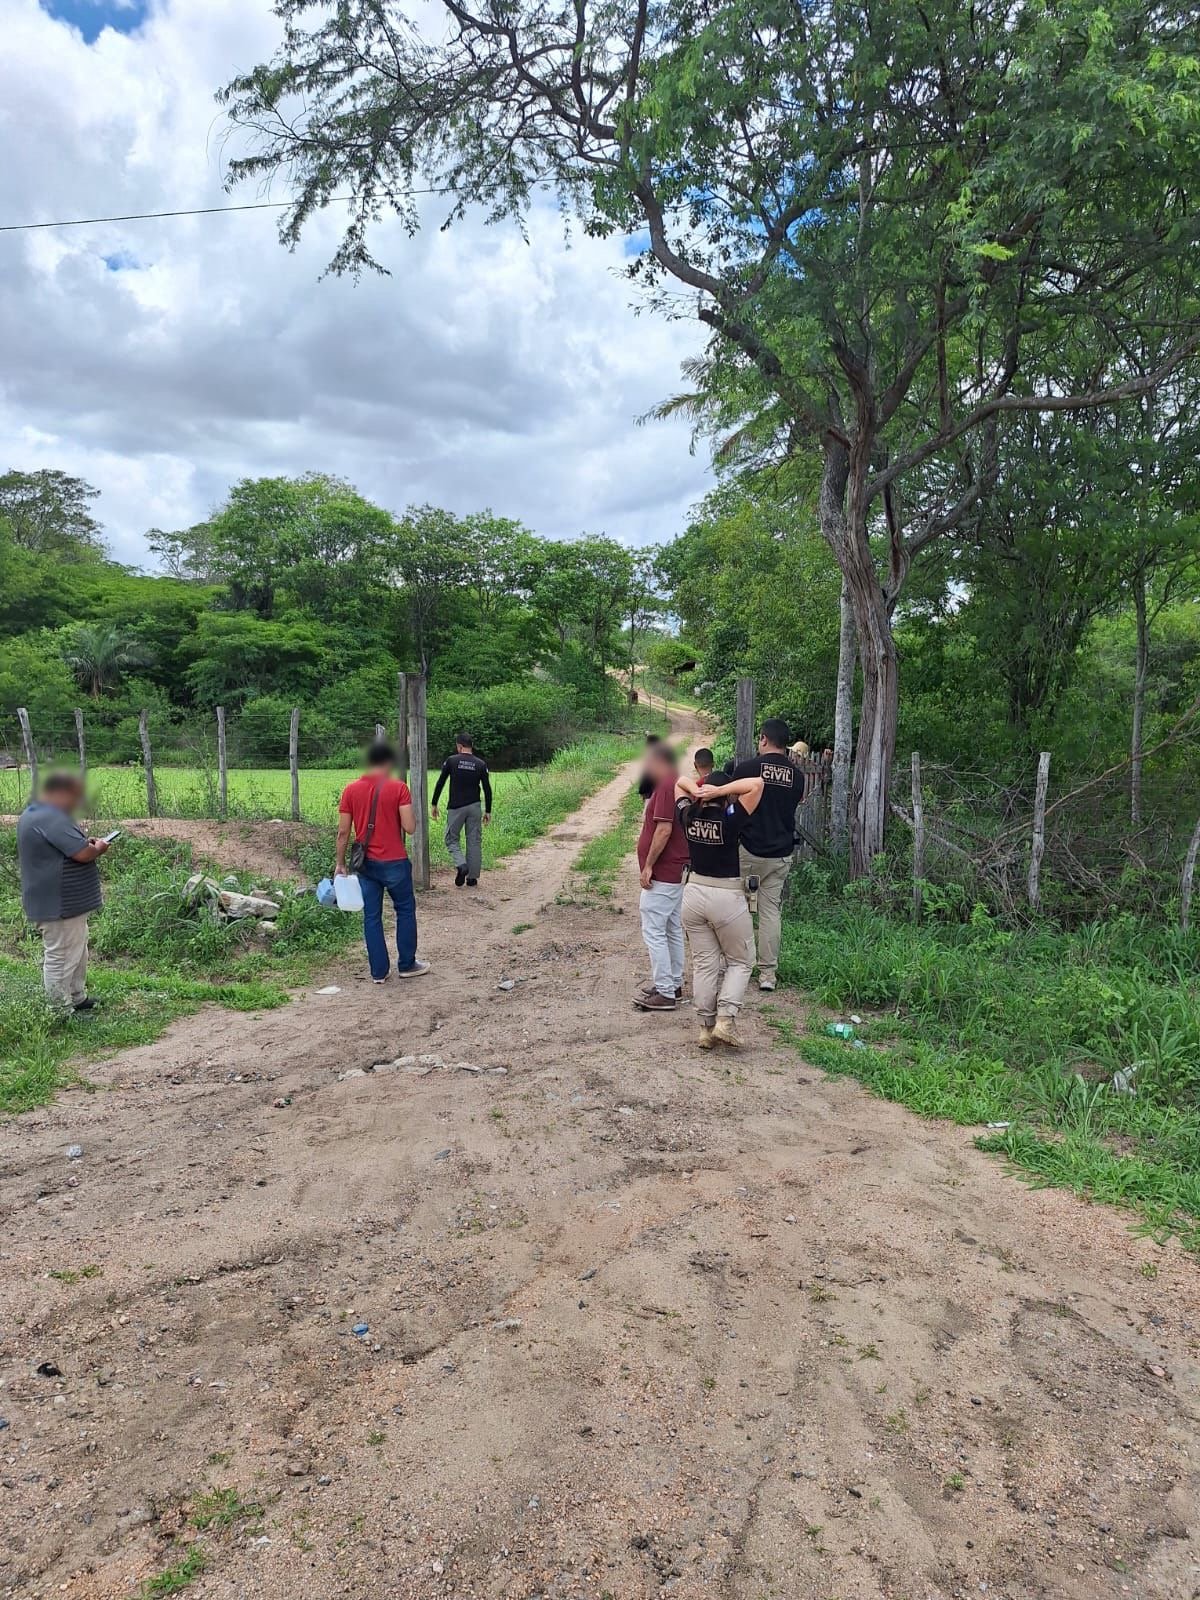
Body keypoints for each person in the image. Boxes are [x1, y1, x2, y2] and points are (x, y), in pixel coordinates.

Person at [674, 770, 765, 1048]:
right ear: (726, 796)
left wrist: (699, 790)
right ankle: (725, 1020)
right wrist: (720, 791)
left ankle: (705, 1029)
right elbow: (757, 783)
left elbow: (680, 783)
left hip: (693, 893)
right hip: (725, 895)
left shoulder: (688, 815)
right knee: (741, 961)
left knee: (704, 963)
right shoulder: (730, 817)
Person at [16, 771, 112, 1012]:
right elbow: (82, 854)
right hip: (59, 903)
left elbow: (68, 846)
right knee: (62, 956)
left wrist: (85, 844)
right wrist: (98, 848)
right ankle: (60, 1009)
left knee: (76, 952)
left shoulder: (40, 813)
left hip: (64, 902)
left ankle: (77, 998)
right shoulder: (50, 816)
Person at [336, 740, 429, 982]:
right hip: (395, 861)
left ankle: (378, 972)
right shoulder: (399, 788)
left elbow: (343, 832)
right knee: (405, 910)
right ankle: (407, 965)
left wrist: (340, 863)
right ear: (388, 762)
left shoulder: (350, 790)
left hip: (366, 864)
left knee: (372, 916)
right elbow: (410, 828)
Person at [733, 717, 798, 993]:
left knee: (739, 907)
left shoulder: (747, 769)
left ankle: (739, 965)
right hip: (780, 854)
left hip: (749, 851)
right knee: (770, 911)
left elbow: (733, 805)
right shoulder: (797, 776)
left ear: (763, 739)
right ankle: (768, 974)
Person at [632, 741, 690, 1013]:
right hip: (675, 870)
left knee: (654, 929)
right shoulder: (673, 783)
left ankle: (666, 991)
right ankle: (673, 983)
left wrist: (648, 866)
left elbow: (664, 829)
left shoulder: (666, 785)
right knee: (671, 928)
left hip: (665, 871)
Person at [431, 734, 493, 887]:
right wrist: (488, 810)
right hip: (475, 806)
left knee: (451, 839)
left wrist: (434, 803)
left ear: (459, 746)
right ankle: (472, 878)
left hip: (456, 807)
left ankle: (461, 865)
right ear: (471, 746)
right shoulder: (480, 764)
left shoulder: (451, 761)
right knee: (474, 841)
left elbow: (441, 782)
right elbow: (487, 788)